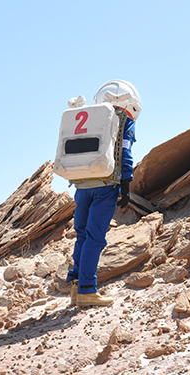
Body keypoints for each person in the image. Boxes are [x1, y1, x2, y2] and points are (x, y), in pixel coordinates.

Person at [65, 80, 140, 307]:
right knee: (95, 237)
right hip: (106, 186)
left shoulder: (88, 118)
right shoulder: (124, 120)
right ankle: (88, 290)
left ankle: (76, 288)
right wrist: (126, 184)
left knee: (83, 236)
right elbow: (125, 153)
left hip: (82, 186)